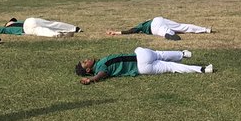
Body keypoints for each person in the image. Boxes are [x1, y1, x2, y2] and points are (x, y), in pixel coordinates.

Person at [75, 48, 213, 84]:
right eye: (85, 62)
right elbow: (101, 75)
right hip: (140, 61)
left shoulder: (99, 64)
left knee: (170, 66)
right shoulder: (100, 68)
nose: (86, 59)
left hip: (142, 66)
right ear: (88, 69)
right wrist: (92, 79)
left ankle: (202, 69)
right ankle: (182, 54)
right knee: (162, 57)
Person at [107, 16, 212, 41]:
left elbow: (131, 30)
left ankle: (170, 35)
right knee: (181, 26)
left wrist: (116, 32)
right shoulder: (146, 22)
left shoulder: (141, 26)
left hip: (154, 28)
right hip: (159, 19)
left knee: (165, 32)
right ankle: (205, 29)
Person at [0, 17, 80, 38]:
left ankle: (57, 34)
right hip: (30, 20)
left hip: (27, 29)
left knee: (42, 31)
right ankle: (74, 28)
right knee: (51, 24)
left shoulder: (7, 28)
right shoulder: (19, 21)